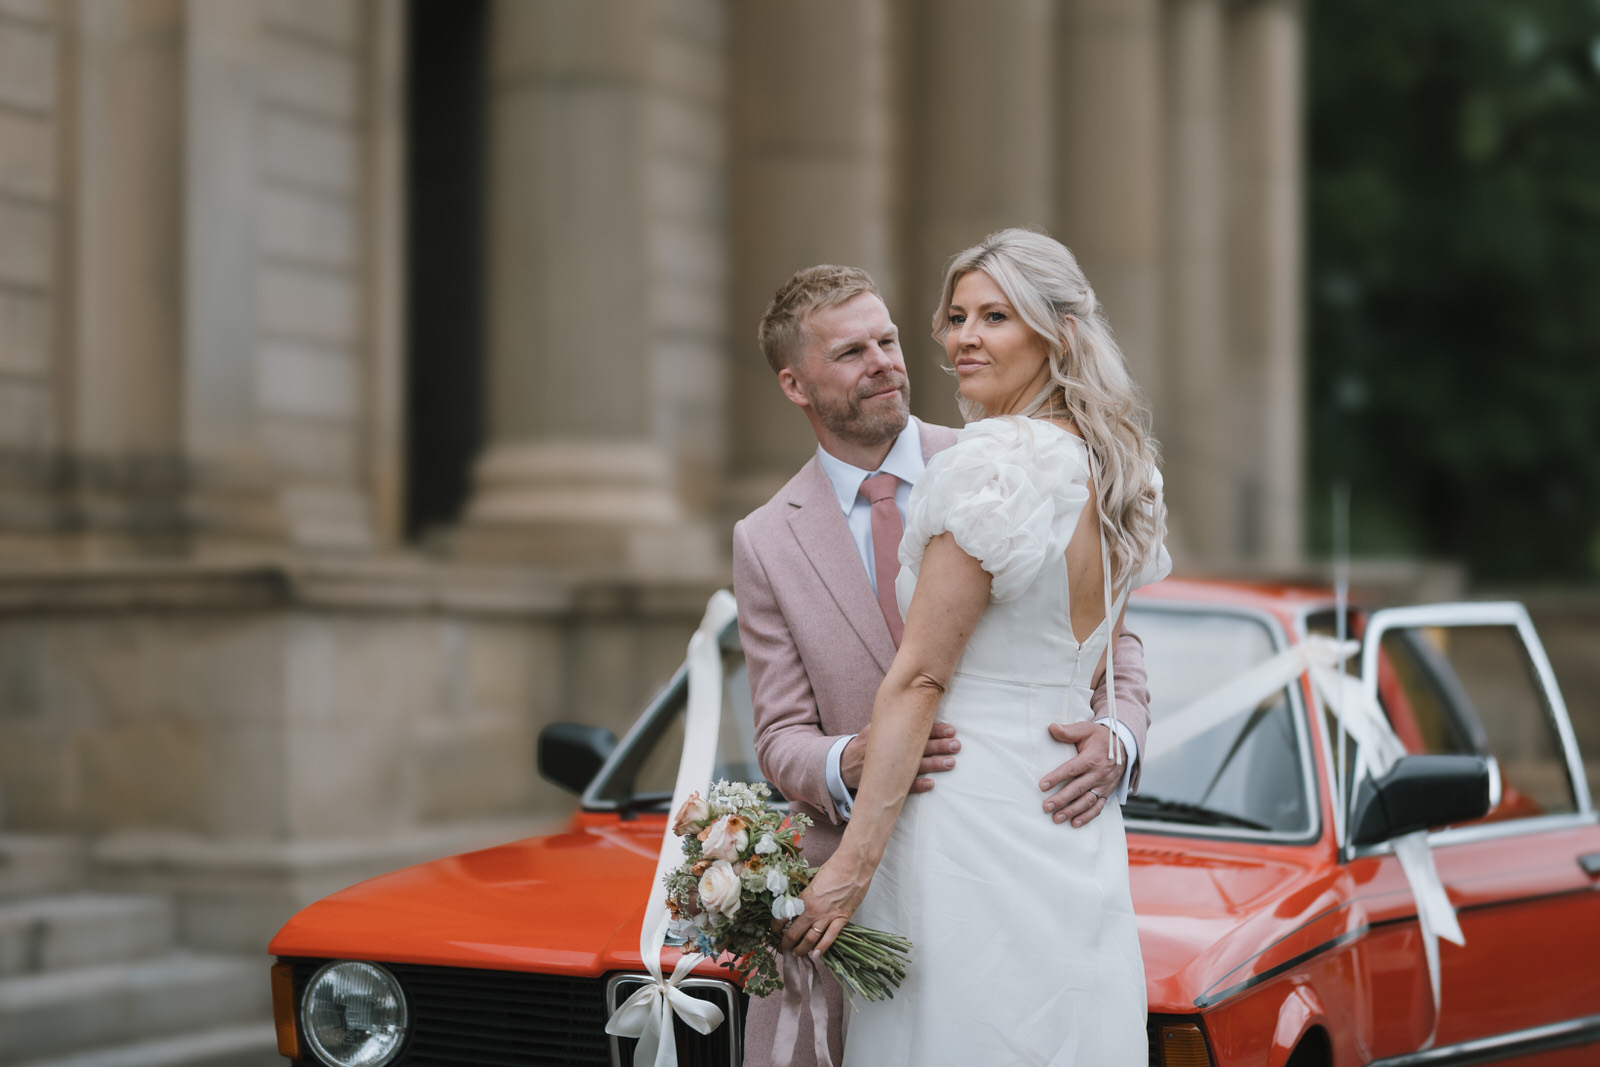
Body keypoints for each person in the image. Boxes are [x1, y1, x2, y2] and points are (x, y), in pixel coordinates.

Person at [733, 257, 1158, 1067]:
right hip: (889, 879)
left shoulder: (991, 458)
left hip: (1011, 823)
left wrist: (1118, 736)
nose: (887, 362)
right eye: (852, 353)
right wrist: (850, 759)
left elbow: (1115, 647)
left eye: (889, 340)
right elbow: (781, 730)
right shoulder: (765, 538)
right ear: (796, 384)